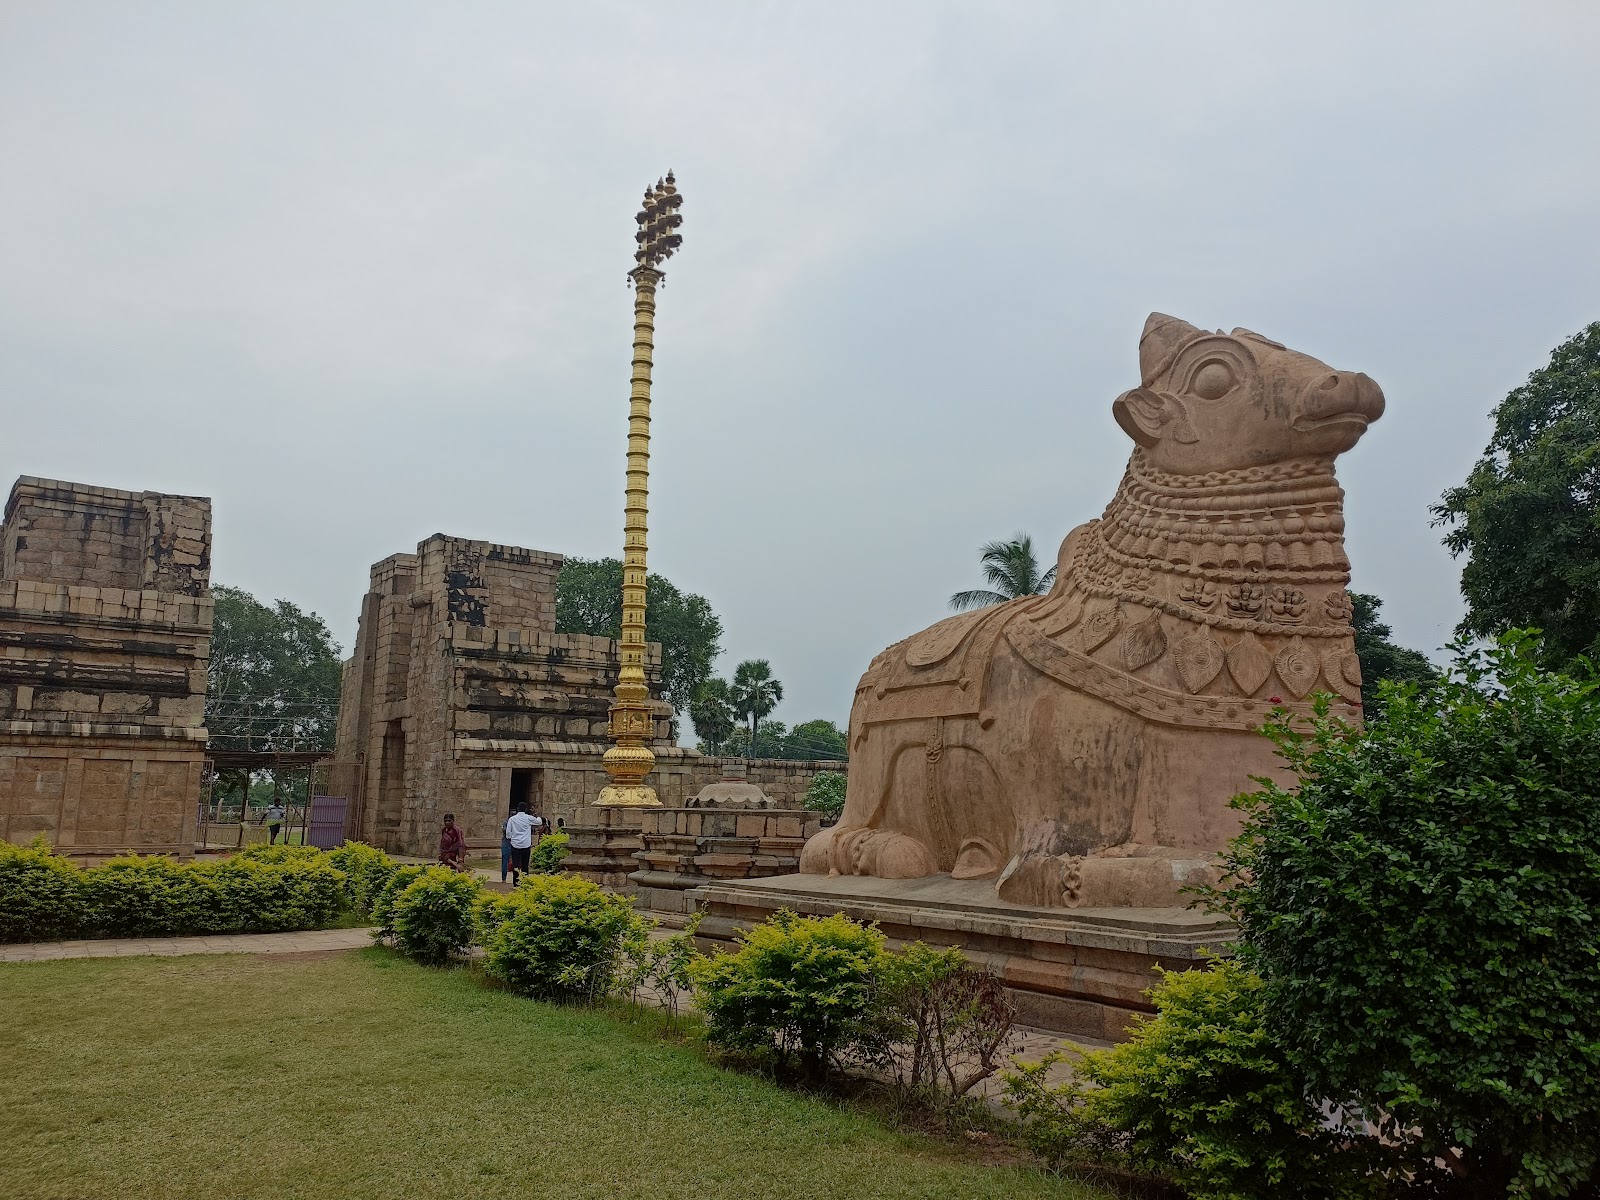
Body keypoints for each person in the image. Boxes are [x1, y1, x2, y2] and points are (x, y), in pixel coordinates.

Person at [504, 802, 538, 884]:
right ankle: (525, 882)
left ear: (518, 809)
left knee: (516, 865)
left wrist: (513, 838)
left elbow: (508, 833)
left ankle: (516, 883)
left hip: (515, 845)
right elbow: (538, 822)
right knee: (525, 865)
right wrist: (536, 815)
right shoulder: (528, 818)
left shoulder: (512, 819)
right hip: (526, 844)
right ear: (526, 809)